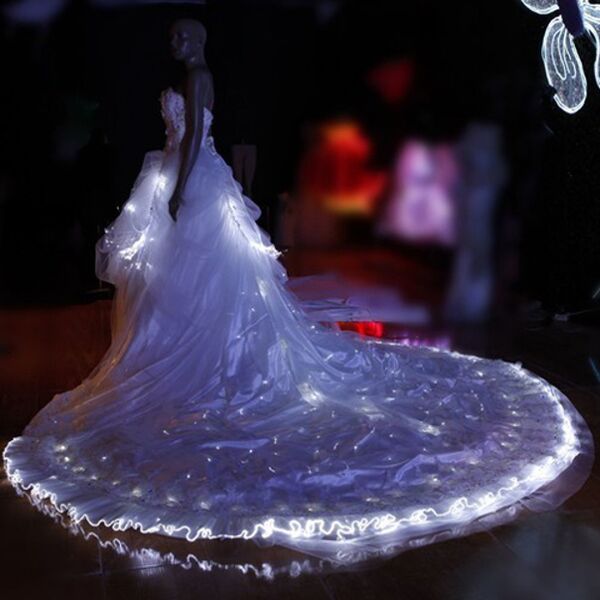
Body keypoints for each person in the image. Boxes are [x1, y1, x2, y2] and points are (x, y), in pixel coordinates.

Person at [3, 19, 591, 558]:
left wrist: (178, 193)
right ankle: (179, 358)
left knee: (208, 281)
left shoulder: (199, 76)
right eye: (173, 35)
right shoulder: (187, 76)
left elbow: (195, 139)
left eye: (184, 35)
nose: (175, 42)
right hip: (179, 174)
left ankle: (208, 363)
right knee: (180, 287)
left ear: (200, 40)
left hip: (194, 183)